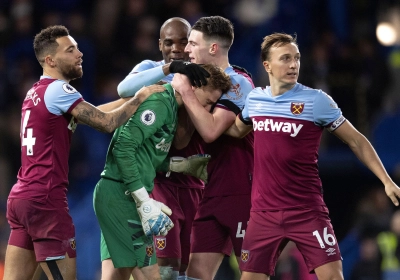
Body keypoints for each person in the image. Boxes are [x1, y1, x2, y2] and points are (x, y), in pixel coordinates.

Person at [223, 32, 400, 280]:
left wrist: (386, 181)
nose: (293, 64)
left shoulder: (316, 101)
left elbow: (357, 140)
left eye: (296, 58)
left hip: (306, 211)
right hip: (263, 213)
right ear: (267, 65)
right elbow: (234, 131)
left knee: (332, 277)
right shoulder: (255, 100)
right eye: (285, 58)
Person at [4, 25, 158, 280]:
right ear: (51, 60)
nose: (79, 53)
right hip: (46, 201)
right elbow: (107, 123)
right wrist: (141, 97)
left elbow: (94, 112)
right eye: (70, 50)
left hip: (22, 199)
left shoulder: (35, 93)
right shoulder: (60, 90)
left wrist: (129, 97)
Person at [93, 64, 232, 280]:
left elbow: (145, 155)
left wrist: (181, 166)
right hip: (122, 197)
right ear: (193, 88)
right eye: (208, 102)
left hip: (120, 195)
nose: (207, 109)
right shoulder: (160, 103)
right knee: (152, 276)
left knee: (115, 276)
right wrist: (143, 200)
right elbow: (123, 148)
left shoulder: (172, 112)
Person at [117, 17, 211, 279]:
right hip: (159, 182)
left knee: (184, 268)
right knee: (164, 267)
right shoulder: (151, 68)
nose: (177, 48)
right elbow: (123, 89)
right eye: (169, 43)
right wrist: (171, 69)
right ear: (160, 45)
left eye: (184, 42)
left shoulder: (204, 73)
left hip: (193, 184)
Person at [171, 16, 255, 280]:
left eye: (194, 43)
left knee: (254, 274)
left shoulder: (238, 82)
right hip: (211, 192)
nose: (187, 49)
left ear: (213, 49)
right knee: (196, 273)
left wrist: (185, 92)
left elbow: (210, 131)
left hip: (242, 192)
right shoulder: (199, 80)